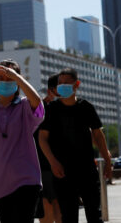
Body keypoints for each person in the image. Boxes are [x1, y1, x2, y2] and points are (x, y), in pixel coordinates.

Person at [39, 68, 112, 223]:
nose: (62, 86)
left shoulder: (86, 107)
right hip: (62, 173)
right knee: (69, 217)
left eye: (66, 83)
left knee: (94, 215)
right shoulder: (52, 110)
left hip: (87, 171)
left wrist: (107, 159)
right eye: (60, 83)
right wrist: (53, 162)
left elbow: (98, 135)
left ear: (76, 84)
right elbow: (42, 138)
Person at [0, 59, 44, 223]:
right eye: (1, 77)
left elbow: (37, 103)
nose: (5, 81)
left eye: (10, 77)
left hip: (26, 180)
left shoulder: (24, 105)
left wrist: (18, 78)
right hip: (0, 183)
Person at [33, 74, 62, 223]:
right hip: (43, 167)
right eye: (60, 86)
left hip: (57, 166)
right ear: (51, 89)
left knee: (58, 206)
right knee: (47, 205)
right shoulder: (42, 108)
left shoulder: (65, 108)